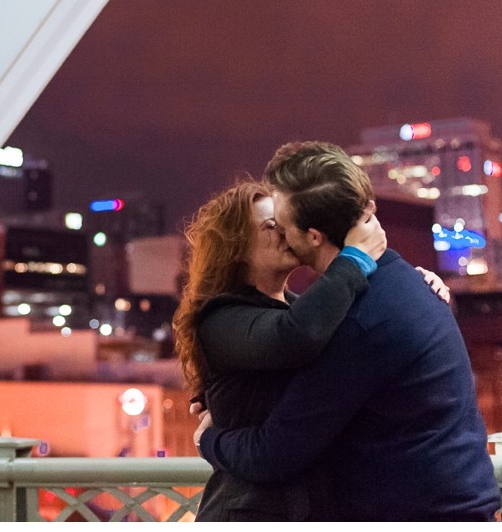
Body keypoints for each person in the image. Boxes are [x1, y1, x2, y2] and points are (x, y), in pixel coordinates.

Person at [195, 142, 502, 521]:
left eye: (282, 224)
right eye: (268, 226)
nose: (280, 234)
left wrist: (210, 439)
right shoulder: (387, 289)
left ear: (312, 236)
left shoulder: (354, 318)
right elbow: (285, 340)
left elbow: (278, 450)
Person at [173, 179, 447, 521]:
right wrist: (356, 257)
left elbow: (358, 330)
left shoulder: (305, 309)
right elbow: (296, 337)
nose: (287, 230)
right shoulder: (221, 319)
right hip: (249, 513)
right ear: (236, 246)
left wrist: (412, 288)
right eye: (272, 225)